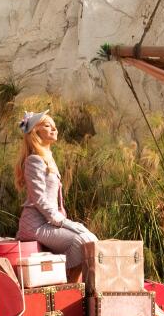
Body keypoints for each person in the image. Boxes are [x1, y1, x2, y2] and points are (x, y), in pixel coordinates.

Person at [15, 110, 104, 291]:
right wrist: (62, 221)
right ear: (35, 132)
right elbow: (39, 198)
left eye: (54, 125)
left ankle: (77, 287)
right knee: (81, 241)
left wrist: (63, 221)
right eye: (48, 125)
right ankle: (68, 286)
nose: (55, 129)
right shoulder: (34, 160)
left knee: (90, 239)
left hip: (49, 221)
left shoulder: (48, 159)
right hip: (36, 225)